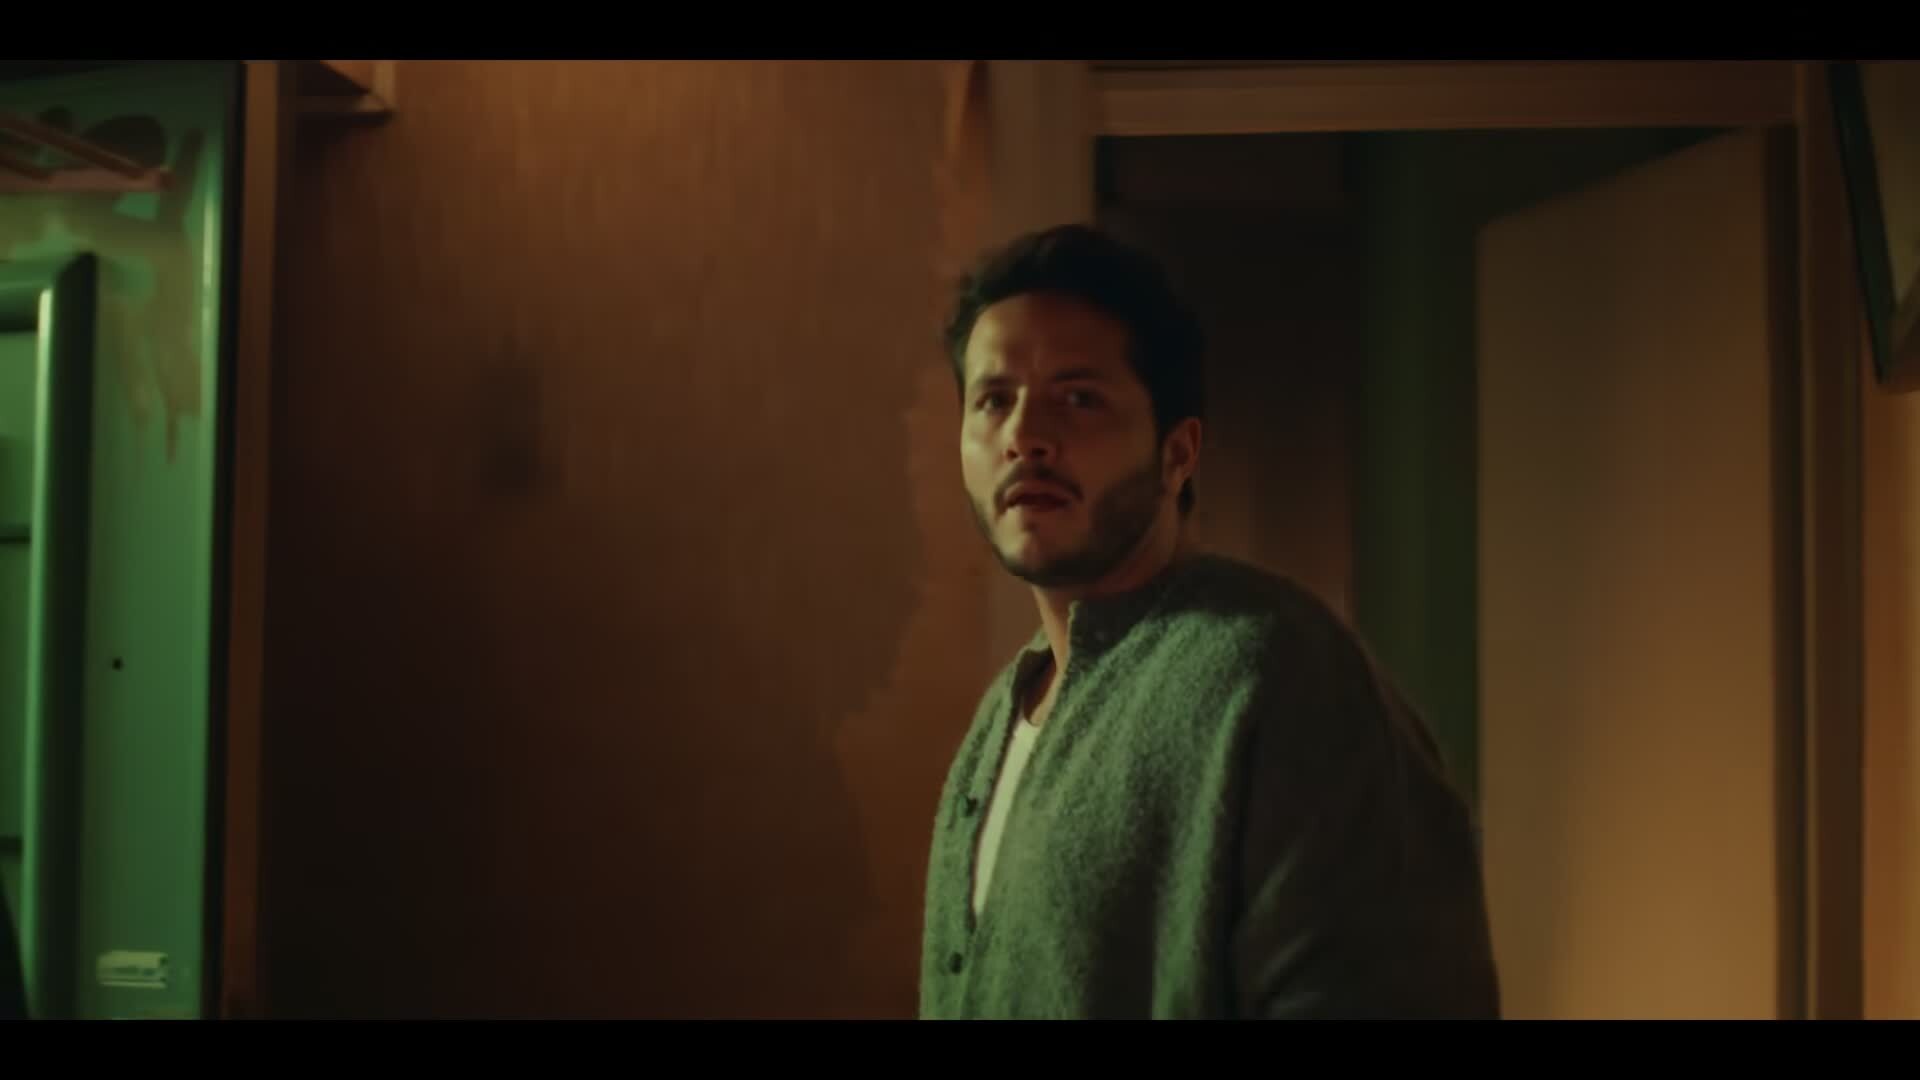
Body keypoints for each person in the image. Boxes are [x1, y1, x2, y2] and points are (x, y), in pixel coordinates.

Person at [919, 224, 1501, 1020]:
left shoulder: (1276, 671)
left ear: (1178, 452)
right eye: (994, 400)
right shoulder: (1002, 714)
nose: (1025, 436)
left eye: (1078, 398)